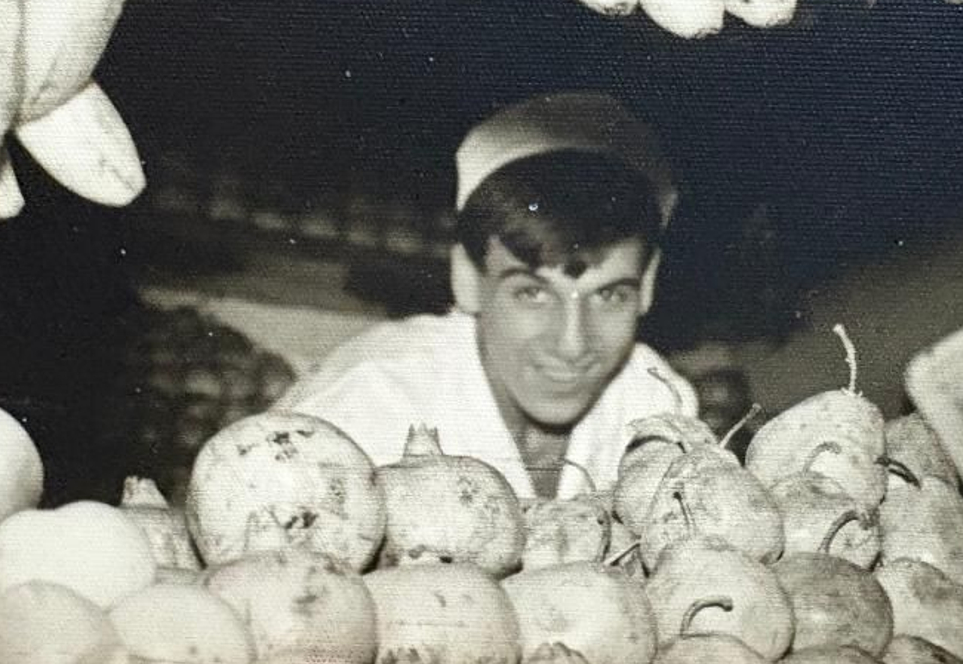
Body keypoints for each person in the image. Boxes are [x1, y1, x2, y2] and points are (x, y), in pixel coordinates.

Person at [277, 91, 698, 499]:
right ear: (467, 278)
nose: (572, 345)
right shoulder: (364, 406)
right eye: (532, 293)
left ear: (648, 283)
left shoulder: (654, 404)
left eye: (609, 296)